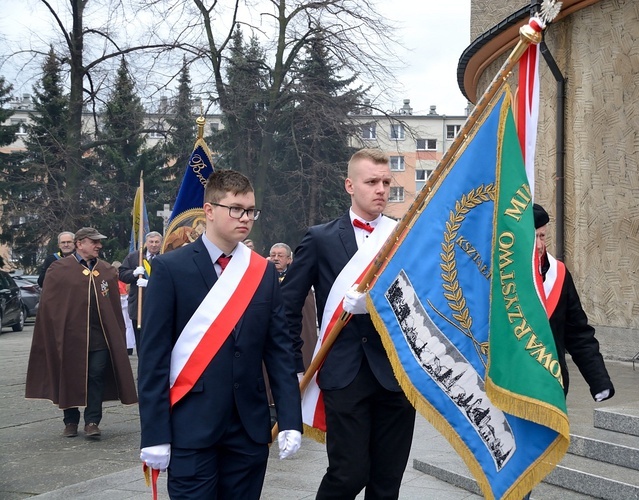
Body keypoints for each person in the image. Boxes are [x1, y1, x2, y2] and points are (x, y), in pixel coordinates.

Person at [138, 169, 302, 499]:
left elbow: (279, 351)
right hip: (190, 426)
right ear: (210, 211)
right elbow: (153, 359)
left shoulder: (262, 271)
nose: (245, 218)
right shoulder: (171, 269)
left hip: (249, 428)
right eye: (236, 209)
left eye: (251, 210)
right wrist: (154, 433)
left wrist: (290, 419)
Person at [282, 148, 416, 499]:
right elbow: (287, 306)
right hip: (344, 372)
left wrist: (379, 304)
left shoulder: (404, 237)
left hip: (396, 375)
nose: (381, 189)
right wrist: (293, 365)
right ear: (349, 185)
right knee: (348, 474)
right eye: (372, 181)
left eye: (387, 182)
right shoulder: (321, 237)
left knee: (387, 483)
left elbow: (422, 300)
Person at [25, 227, 138, 439]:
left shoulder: (106, 270)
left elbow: (113, 306)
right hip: (70, 338)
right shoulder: (59, 269)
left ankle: (92, 421)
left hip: (99, 337)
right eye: (93, 242)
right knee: (70, 376)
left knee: (96, 376)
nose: (99, 245)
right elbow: (50, 306)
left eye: (99, 242)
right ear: (79, 244)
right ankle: (70, 420)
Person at [533, 203, 615, 401]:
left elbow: (578, 333)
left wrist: (599, 380)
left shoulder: (558, 274)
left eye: (542, 236)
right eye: (532, 237)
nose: (539, 245)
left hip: (551, 384)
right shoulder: (501, 278)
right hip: (509, 385)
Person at [118, 231, 162, 356]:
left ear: (161, 243)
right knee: (141, 344)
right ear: (146, 243)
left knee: (156, 343)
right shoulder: (134, 257)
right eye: (151, 242)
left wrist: (150, 283)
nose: (154, 245)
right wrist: (133, 274)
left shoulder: (166, 256)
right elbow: (121, 274)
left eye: (156, 242)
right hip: (139, 307)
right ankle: (142, 373)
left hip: (158, 307)